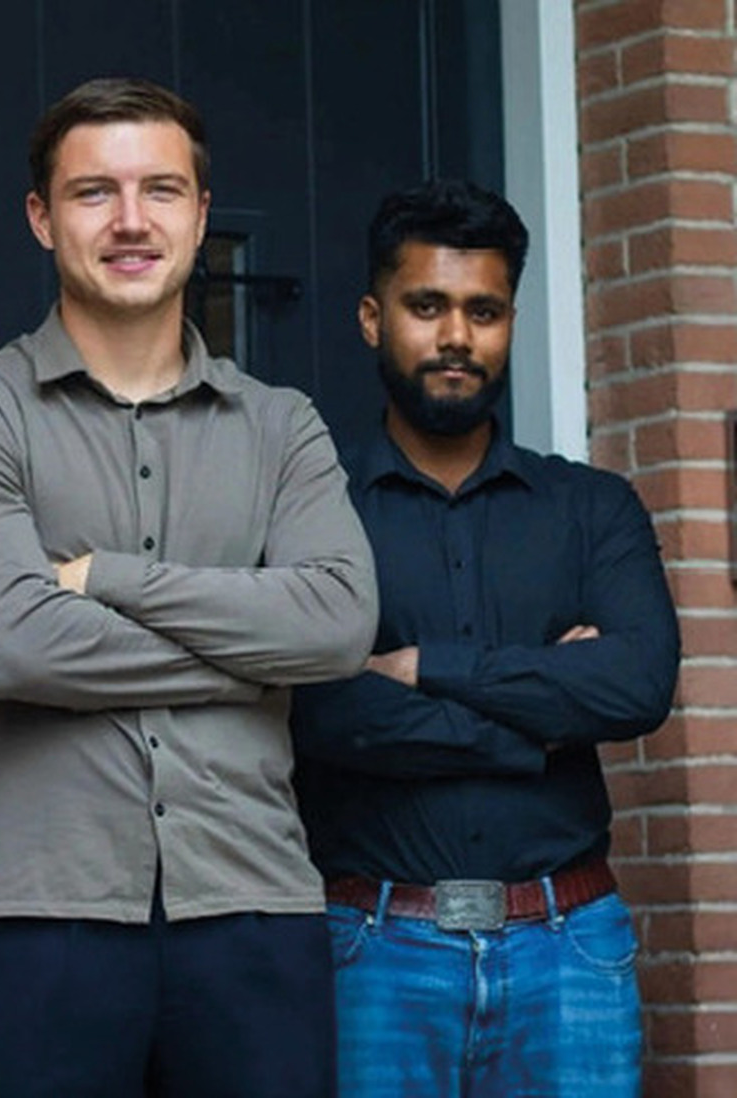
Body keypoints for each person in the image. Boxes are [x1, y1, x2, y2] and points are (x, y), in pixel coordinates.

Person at [0, 76, 378, 1097]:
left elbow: (339, 624)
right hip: (38, 914)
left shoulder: (281, 426)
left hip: (254, 909)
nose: (131, 221)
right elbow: (10, 646)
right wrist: (252, 659)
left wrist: (105, 580)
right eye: (94, 192)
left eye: (160, 190)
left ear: (200, 216)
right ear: (42, 218)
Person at [290, 179, 679, 1096]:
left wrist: (427, 667)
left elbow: (636, 685)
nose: (457, 335)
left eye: (484, 310)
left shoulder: (593, 508)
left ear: (509, 323)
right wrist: (541, 719)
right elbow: (318, 712)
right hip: (373, 952)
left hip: (570, 953)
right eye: (427, 306)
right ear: (372, 319)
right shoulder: (311, 511)